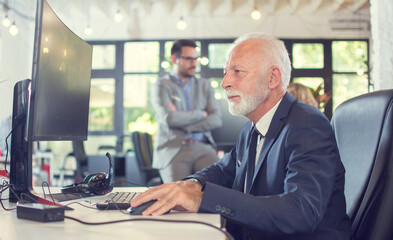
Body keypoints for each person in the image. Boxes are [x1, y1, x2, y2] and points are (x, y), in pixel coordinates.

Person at [132, 33, 350, 240]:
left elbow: (300, 212)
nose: (225, 82)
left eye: (237, 71)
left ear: (272, 78)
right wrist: (192, 184)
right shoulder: (252, 128)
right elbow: (224, 170)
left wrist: (202, 199)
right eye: (226, 72)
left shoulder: (307, 125)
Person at [151, 39, 222, 183]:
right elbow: (169, 118)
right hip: (174, 150)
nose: (194, 63)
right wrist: (201, 114)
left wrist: (186, 125)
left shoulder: (204, 85)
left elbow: (216, 119)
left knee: (217, 189)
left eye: (196, 59)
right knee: (177, 197)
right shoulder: (162, 85)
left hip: (203, 147)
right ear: (174, 59)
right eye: (189, 58)